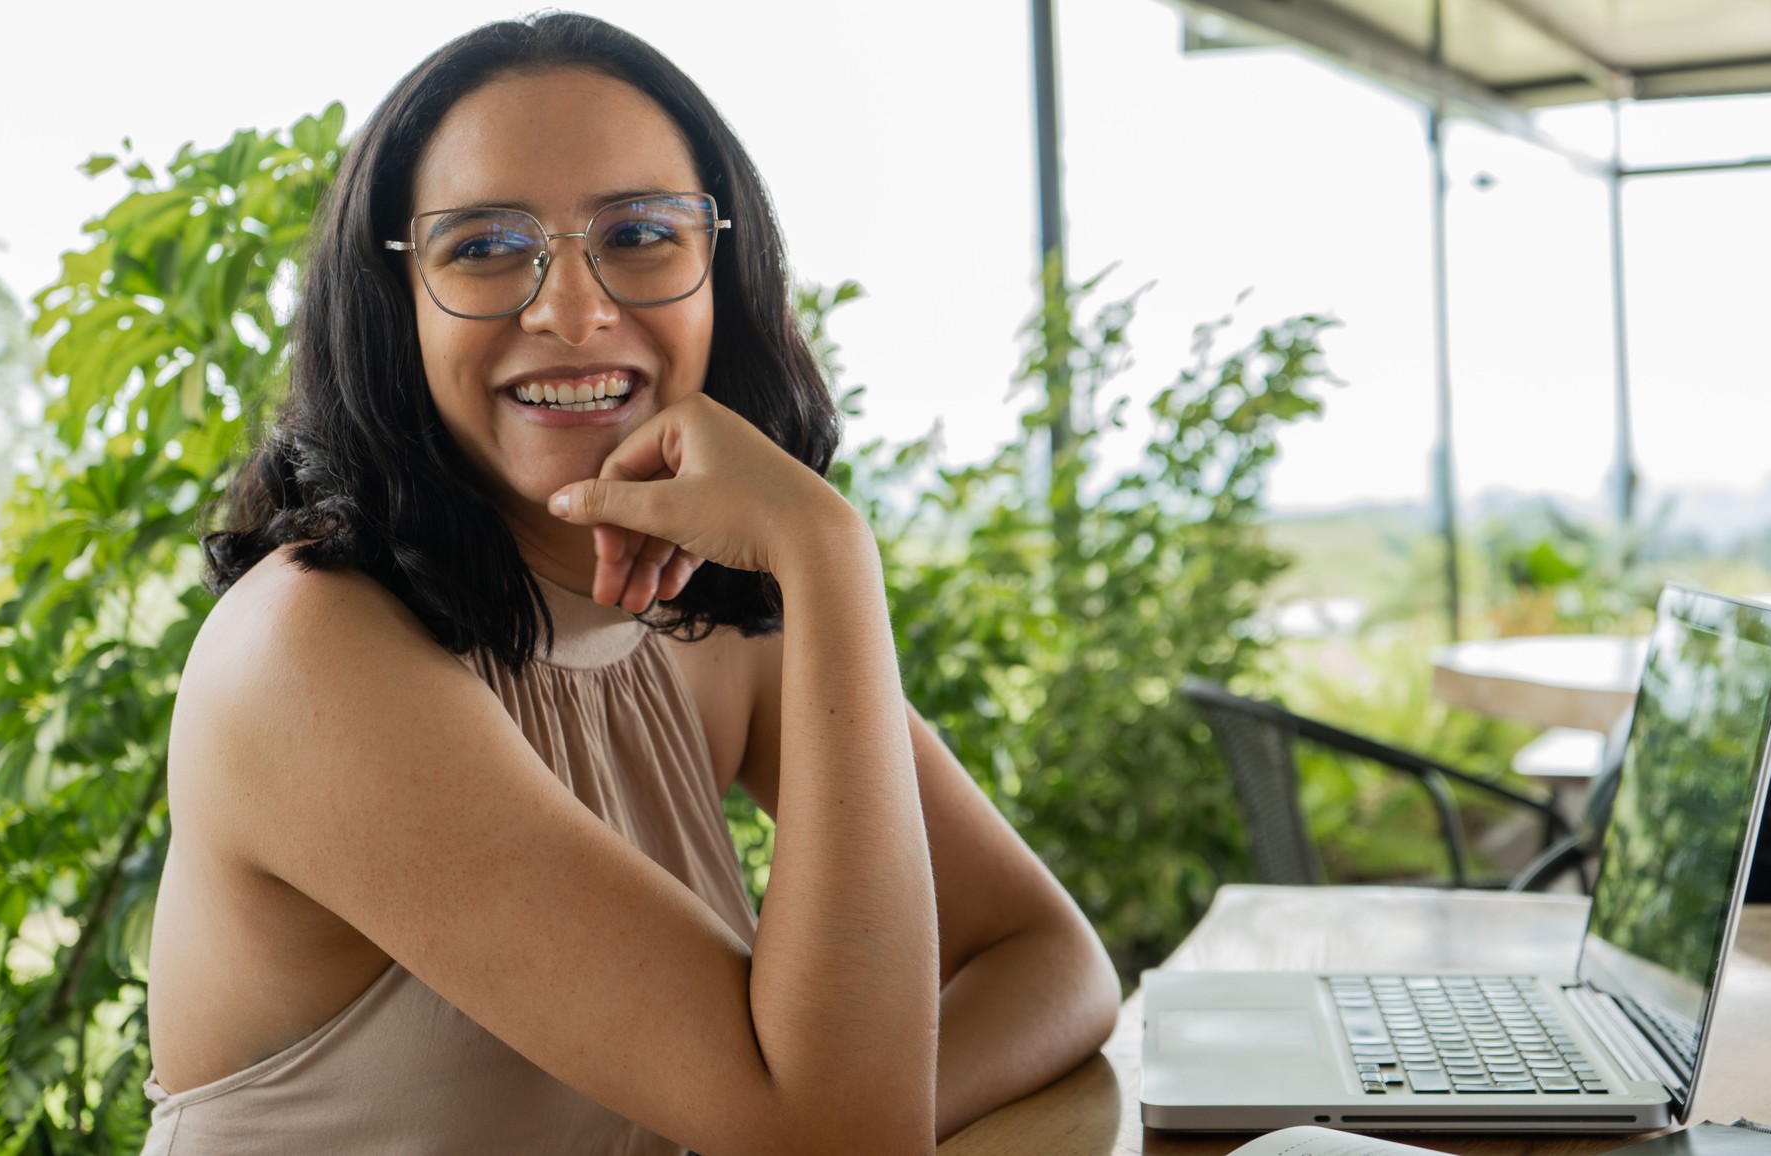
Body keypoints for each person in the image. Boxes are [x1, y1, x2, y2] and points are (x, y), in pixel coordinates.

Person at [140, 13, 1120, 1155]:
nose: (571, 310)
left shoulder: (701, 611)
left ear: (724, 273)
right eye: (484, 246)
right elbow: (839, 1135)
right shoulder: (310, 652)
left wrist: (844, 1104)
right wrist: (832, 557)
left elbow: (1049, 959)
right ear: (393, 306)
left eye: (643, 231)